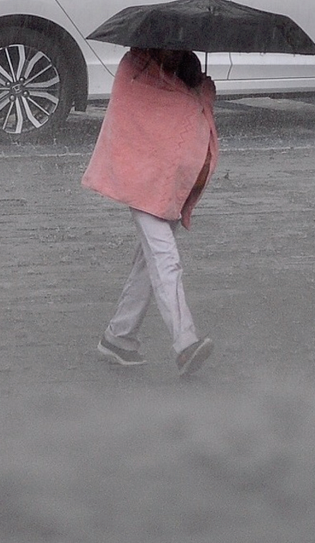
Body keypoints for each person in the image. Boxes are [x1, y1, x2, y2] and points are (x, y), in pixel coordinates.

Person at [82, 46, 219, 377]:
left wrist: (200, 88)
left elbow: (186, 115)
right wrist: (194, 98)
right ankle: (185, 342)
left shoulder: (186, 65)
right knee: (164, 259)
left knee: (149, 262)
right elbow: (144, 120)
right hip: (140, 177)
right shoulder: (136, 69)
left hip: (168, 181)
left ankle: (118, 337)